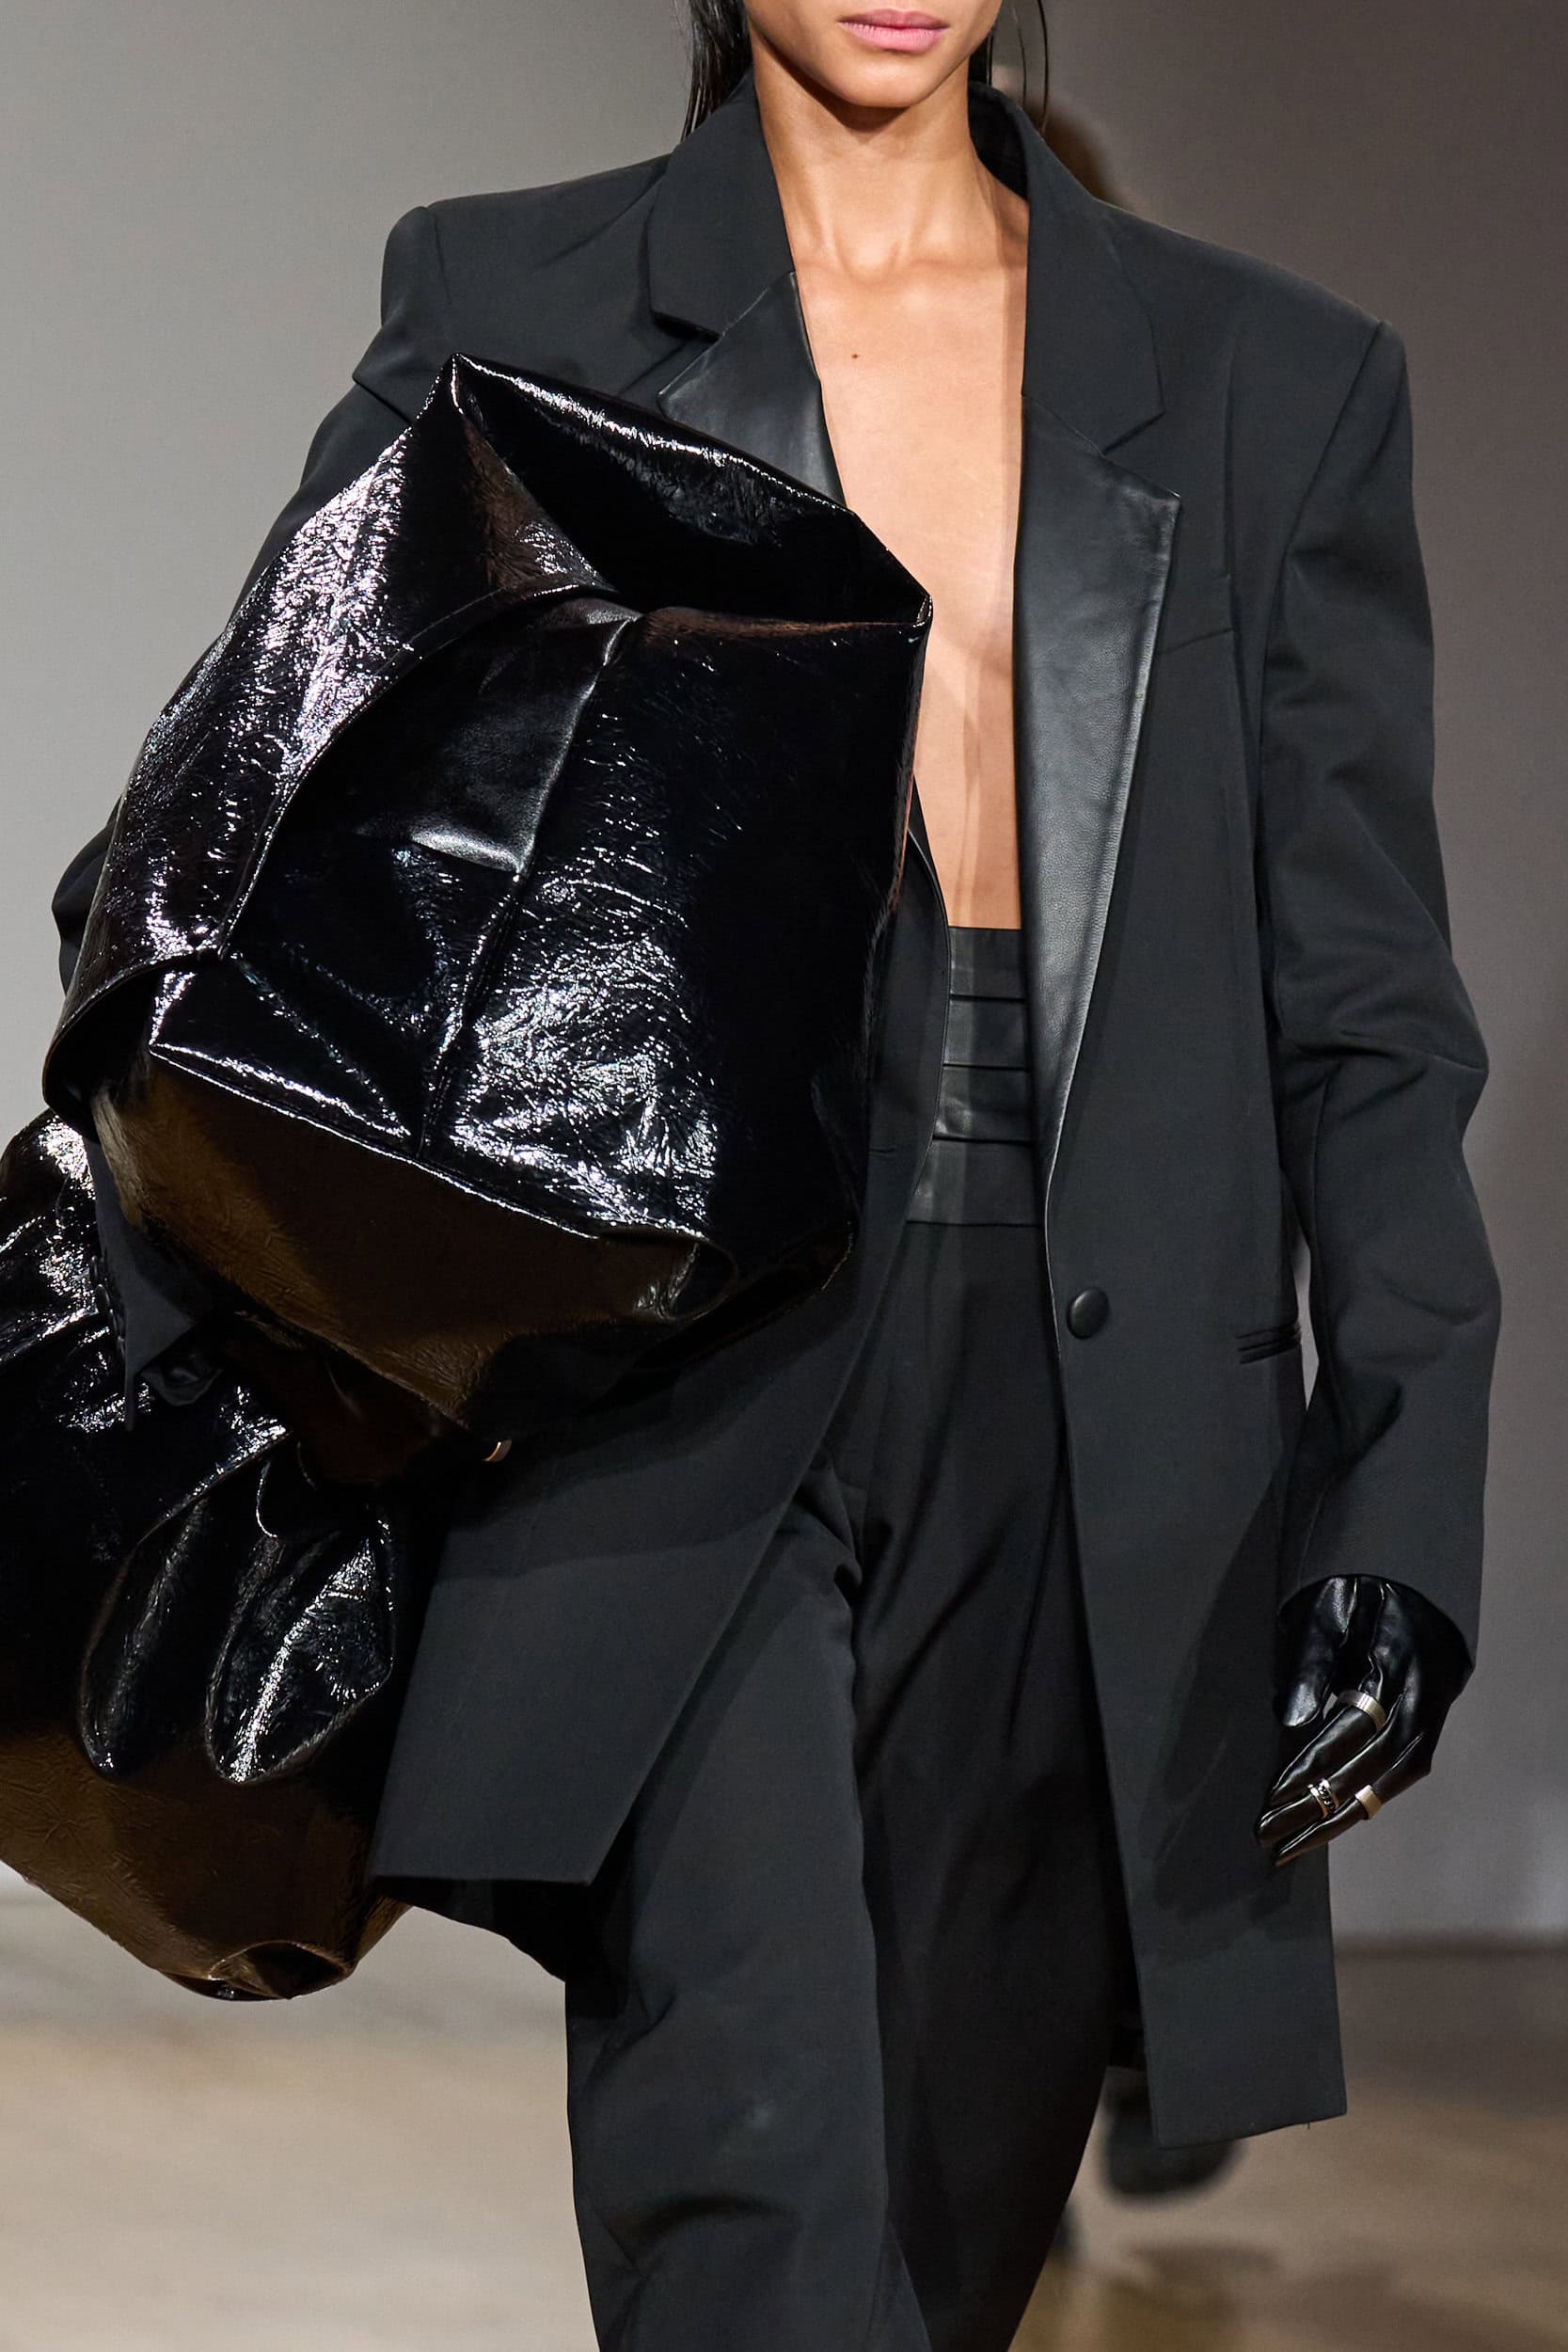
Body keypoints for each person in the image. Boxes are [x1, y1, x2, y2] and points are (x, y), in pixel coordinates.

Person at [51, 5, 1500, 2347]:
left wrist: (1399, 1497)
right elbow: (259, 800)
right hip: (682, 1340)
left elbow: (1368, 1009)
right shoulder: (513, 298)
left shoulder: (1272, 377)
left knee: (939, 2241)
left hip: (1106, 1395)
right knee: (755, 2194)